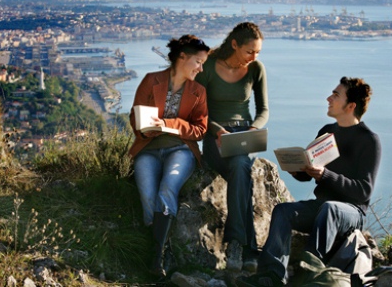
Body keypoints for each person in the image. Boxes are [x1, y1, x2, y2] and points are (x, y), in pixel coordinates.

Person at [238, 77, 382, 287]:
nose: (328, 98)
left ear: (351, 106)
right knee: (283, 211)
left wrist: (325, 175)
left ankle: (309, 273)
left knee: (329, 208)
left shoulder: (369, 140)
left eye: (336, 95)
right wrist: (299, 169)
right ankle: (271, 276)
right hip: (321, 207)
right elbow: (310, 172)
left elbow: (364, 191)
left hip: (352, 212)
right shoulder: (327, 131)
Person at [128, 34, 210, 277]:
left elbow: (200, 130)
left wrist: (169, 124)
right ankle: (160, 243)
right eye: (198, 61)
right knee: (147, 196)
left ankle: (156, 257)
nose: (201, 68)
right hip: (149, 148)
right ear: (182, 57)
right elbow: (135, 118)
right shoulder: (150, 81)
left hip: (181, 149)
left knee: (168, 188)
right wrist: (145, 127)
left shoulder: (199, 92)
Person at [195, 22, 269, 272]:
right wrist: (217, 131)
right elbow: (199, 111)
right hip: (216, 134)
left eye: (258, 52)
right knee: (241, 171)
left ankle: (236, 243)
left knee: (240, 164)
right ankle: (248, 249)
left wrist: (253, 129)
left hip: (245, 134)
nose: (254, 57)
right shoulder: (208, 67)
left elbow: (264, 110)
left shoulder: (256, 68)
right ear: (234, 44)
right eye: (250, 51)